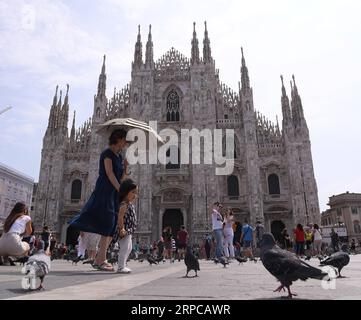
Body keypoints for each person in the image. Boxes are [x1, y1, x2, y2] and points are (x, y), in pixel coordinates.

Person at [69, 129, 130, 271]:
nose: (126, 143)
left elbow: (122, 178)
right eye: (125, 140)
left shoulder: (120, 157)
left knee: (112, 225)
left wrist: (126, 169)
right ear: (119, 139)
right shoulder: (106, 154)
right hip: (105, 190)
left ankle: (99, 259)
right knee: (108, 223)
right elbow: (108, 173)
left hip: (114, 192)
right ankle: (101, 260)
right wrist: (119, 189)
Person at [116, 179, 138, 273]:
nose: (135, 195)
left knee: (128, 248)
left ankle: (123, 264)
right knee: (124, 248)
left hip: (129, 230)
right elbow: (120, 217)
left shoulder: (129, 204)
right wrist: (121, 228)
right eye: (133, 192)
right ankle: (121, 266)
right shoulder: (124, 204)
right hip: (125, 230)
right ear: (125, 192)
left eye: (136, 193)